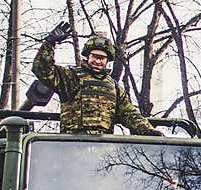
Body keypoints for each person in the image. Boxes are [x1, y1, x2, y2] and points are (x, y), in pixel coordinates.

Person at [32, 21, 161, 136]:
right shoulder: (70, 77)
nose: (97, 61)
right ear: (88, 56)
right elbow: (42, 69)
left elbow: (129, 113)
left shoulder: (114, 88)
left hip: (102, 148)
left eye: (102, 58)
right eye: (94, 56)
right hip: (72, 143)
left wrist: (147, 130)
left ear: (107, 61)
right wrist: (49, 43)